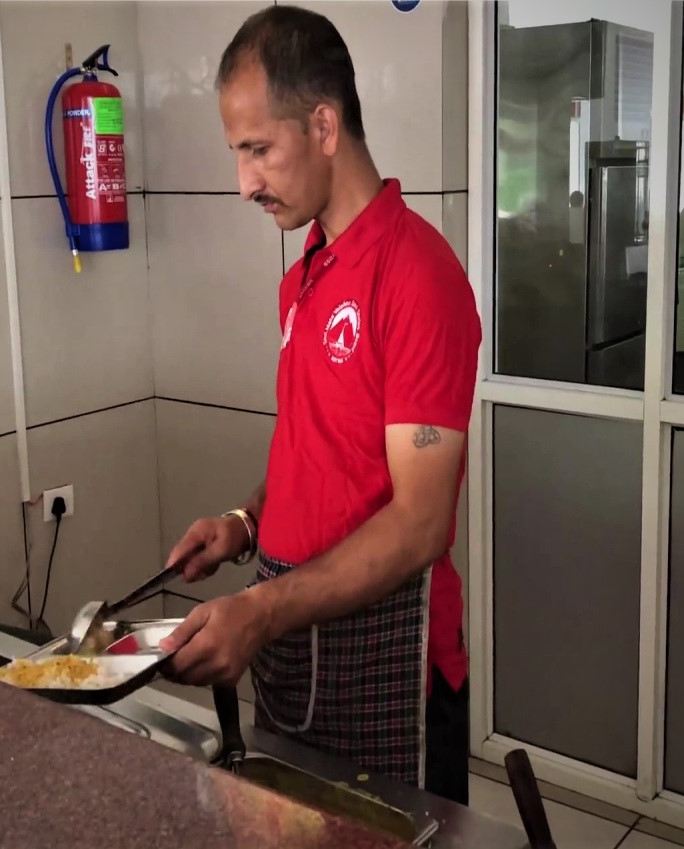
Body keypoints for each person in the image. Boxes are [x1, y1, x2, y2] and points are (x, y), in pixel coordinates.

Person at [159, 4, 481, 805]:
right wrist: (244, 522)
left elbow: (419, 525)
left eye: (258, 150)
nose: (243, 184)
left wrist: (259, 612)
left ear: (324, 125)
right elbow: (316, 448)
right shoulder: (304, 272)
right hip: (296, 646)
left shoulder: (416, 278)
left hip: (386, 659)